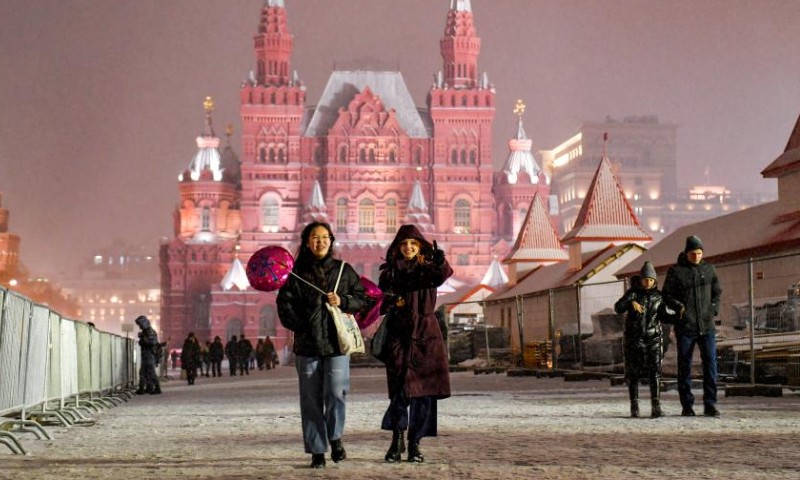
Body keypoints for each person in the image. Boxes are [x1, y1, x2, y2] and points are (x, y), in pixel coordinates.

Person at [276, 221, 367, 469]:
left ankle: (335, 436)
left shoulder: (343, 271)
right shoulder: (294, 274)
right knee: (311, 400)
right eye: (315, 237)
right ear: (307, 242)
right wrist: (303, 325)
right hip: (307, 347)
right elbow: (284, 306)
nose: (321, 242)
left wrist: (343, 300)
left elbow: (362, 298)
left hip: (337, 345)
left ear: (331, 240)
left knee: (337, 392)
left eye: (325, 237)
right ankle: (317, 449)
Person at [378, 224, 453, 463]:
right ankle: (397, 440)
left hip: (425, 337)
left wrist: (440, 261)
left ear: (420, 245)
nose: (408, 247)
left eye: (413, 243)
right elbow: (380, 303)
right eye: (404, 243)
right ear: (397, 247)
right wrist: (391, 302)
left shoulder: (428, 270)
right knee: (400, 391)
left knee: (423, 393)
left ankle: (415, 444)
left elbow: (442, 274)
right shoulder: (389, 273)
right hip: (399, 336)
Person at [662, 235, 723, 417]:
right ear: (686, 253)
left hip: (707, 327)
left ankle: (710, 404)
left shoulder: (709, 270)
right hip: (686, 327)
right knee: (685, 366)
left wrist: (713, 310)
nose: (696, 256)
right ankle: (687, 406)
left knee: (711, 365)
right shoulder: (676, 272)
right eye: (693, 253)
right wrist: (679, 307)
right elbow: (666, 295)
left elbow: (717, 293)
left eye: (699, 253)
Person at [614, 262, 682, 418]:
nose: (648, 282)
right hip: (634, 339)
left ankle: (656, 406)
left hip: (653, 339)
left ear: (655, 281)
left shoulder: (658, 296)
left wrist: (678, 318)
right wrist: (631, 302)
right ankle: (634, 405)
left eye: (651, 280)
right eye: (645, 279)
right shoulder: (633, 293)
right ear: (641, 279)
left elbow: (663, 316)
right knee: (633, 373)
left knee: (655, 373)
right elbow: (618, 308)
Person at [134, 316, 162, 395]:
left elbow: (151, 343)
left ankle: (156, 388)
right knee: (143, 372)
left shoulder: (149, 331)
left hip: (149, 355)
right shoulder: (146, 331)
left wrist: (143, 338)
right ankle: (145, 388)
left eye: (140, 324)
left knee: (151, 372)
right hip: (146, 355)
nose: (140, 326)